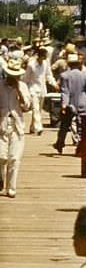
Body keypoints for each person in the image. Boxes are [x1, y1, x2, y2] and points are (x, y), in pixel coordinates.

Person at [0, 55, 32, 198]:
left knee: (14, 158)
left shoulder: (23, 86)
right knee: (2, 157)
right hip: (2, 124)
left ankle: (11, 188)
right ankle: (1, 183)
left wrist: (19, 90)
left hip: (17, 125)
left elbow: (27, 106)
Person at [54, 53, 86, 153]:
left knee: (64, 125)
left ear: (68, 64)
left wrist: (64, 105)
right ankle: (80, 146)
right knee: (81, 127)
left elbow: (65, 92)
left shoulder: (64, 76)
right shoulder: (85, 76)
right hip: (82, 103)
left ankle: (60, 143)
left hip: (70, 104)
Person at [24, 46, 57, 135]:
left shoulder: (46, 64)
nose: (44, 58)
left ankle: (32, 127)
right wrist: (24, 91)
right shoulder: (31, 65)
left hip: (42, 89)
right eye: (43, 56)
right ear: (39, 56)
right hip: (33, 89)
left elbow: (49, 75)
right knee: (35, 109)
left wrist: (54, 84)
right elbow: (26, 79)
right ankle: (38, 128)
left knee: (38, 109)